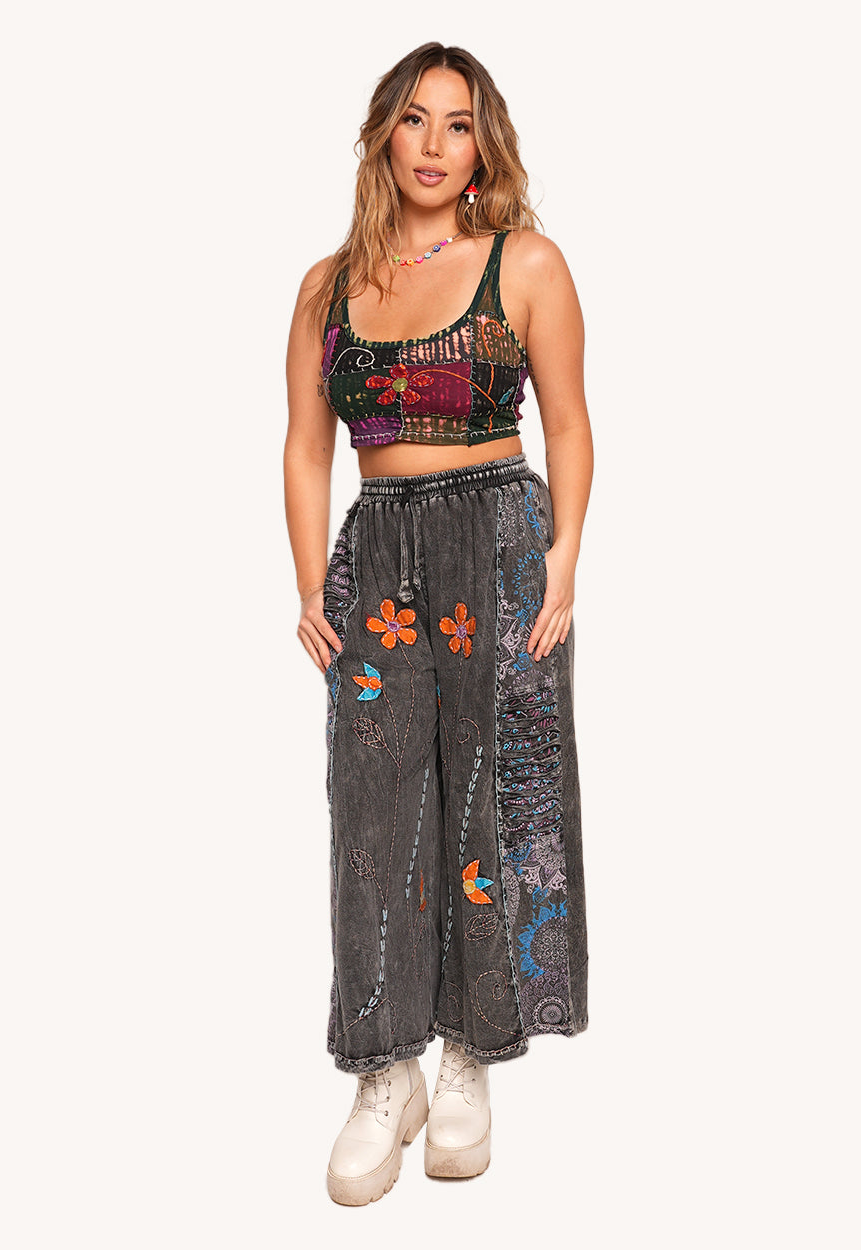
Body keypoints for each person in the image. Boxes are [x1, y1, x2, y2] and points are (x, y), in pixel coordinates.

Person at [284, 42, 593, 1205]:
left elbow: (568, 421)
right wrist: (307, 583)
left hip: (496, 535)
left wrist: (562, 557)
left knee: (488, 787)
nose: (431, 144)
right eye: (413, 119)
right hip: (378, 549)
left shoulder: (525, 263)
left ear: (482, 146)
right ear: (382, 135)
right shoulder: (325, 287)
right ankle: (385, 1067)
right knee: (372, 806)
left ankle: (470, 1051)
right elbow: (304, 445)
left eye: (456, 124)